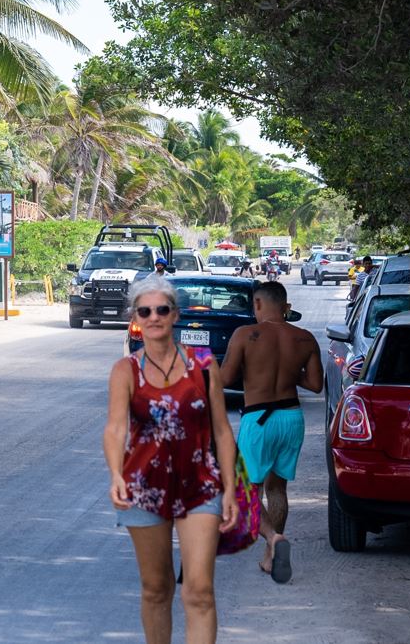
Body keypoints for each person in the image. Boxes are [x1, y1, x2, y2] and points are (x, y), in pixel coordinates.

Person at [104, 275, 239, 644]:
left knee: (198, 590)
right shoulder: (125, 371)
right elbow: (116, 429)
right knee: (156, 588)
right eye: (145, 311)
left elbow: (222, 430)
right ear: (136, 317)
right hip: (143, 488)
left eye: (161, 309)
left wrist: (229, 488)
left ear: (175, 314)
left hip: (200, 486)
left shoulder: (204, 366)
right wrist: (115, 473)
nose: (153, 317)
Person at [219, 281, 323, 584]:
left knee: (247, 493)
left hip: (259, 419)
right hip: (291, 417)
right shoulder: (304, 338)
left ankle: (273, 541)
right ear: (286, 306)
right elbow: (316, 385)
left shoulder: (244, 335)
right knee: (277, 489)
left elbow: (225, 377)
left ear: (258, 304)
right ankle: (270, 556)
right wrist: (289, 371)